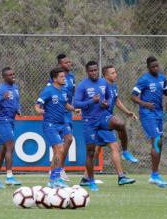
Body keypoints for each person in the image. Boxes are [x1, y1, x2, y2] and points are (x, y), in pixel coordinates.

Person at [74, 61, 135, 191]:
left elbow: (109, 97)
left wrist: (106, 103)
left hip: (103, 117)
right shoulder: (82, 86)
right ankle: (91, 181)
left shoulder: (103, 83)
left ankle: (125, 152)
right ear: (87, 72)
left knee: (120, 123)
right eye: (91, 71)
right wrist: (92, 101)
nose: (94, 72)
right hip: (89, 121)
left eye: (95, 70)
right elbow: (76, 104)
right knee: (91, 152)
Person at [131, 56, 167, 188]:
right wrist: (144, 104)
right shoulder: (144, 79)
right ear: (148, 67)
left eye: (157, 66)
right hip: (147, 114)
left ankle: (155, 174)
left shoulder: (162, 78)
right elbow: (133, 96)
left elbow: (166, 91)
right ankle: (154, 175)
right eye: (153, 67)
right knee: (156, 140)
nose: (156, 68)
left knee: (160, 143)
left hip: (158, 114)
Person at [35, 67, 74, 188]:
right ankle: (55, 179)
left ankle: (54, 179)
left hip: (62, 123)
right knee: (59, 149)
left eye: (64, 76)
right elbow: (37, 105)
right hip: (50, 125)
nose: (64, 79)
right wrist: (39, 111)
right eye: (62, 77)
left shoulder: (63, 90)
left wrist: (74, 109)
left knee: (65, 144)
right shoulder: (48, 90)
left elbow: (65, 104)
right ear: (55, 79)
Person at [0, 67, 22, 188]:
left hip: (11, 120)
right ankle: (9, 176)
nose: (13, 76)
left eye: (13, 74)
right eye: (10, 75)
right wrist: (2, 97)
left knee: (3, 150)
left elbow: (16, 102)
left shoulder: (15, 88)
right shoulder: (1, 89)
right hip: (2, 120)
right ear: (4, 77)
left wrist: (18, 109)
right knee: (10, 145)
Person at [48, 54, 75, 182]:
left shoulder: (72, 77)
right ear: (60, 65)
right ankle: (56, 171)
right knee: (59, 146)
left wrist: (72, 107)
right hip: (57, 115)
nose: (69, 64)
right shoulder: (53, 81)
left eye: (69, 61)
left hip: (67, 113)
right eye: (65, 62)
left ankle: (59, 169)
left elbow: (71, 93)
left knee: (68, 139)